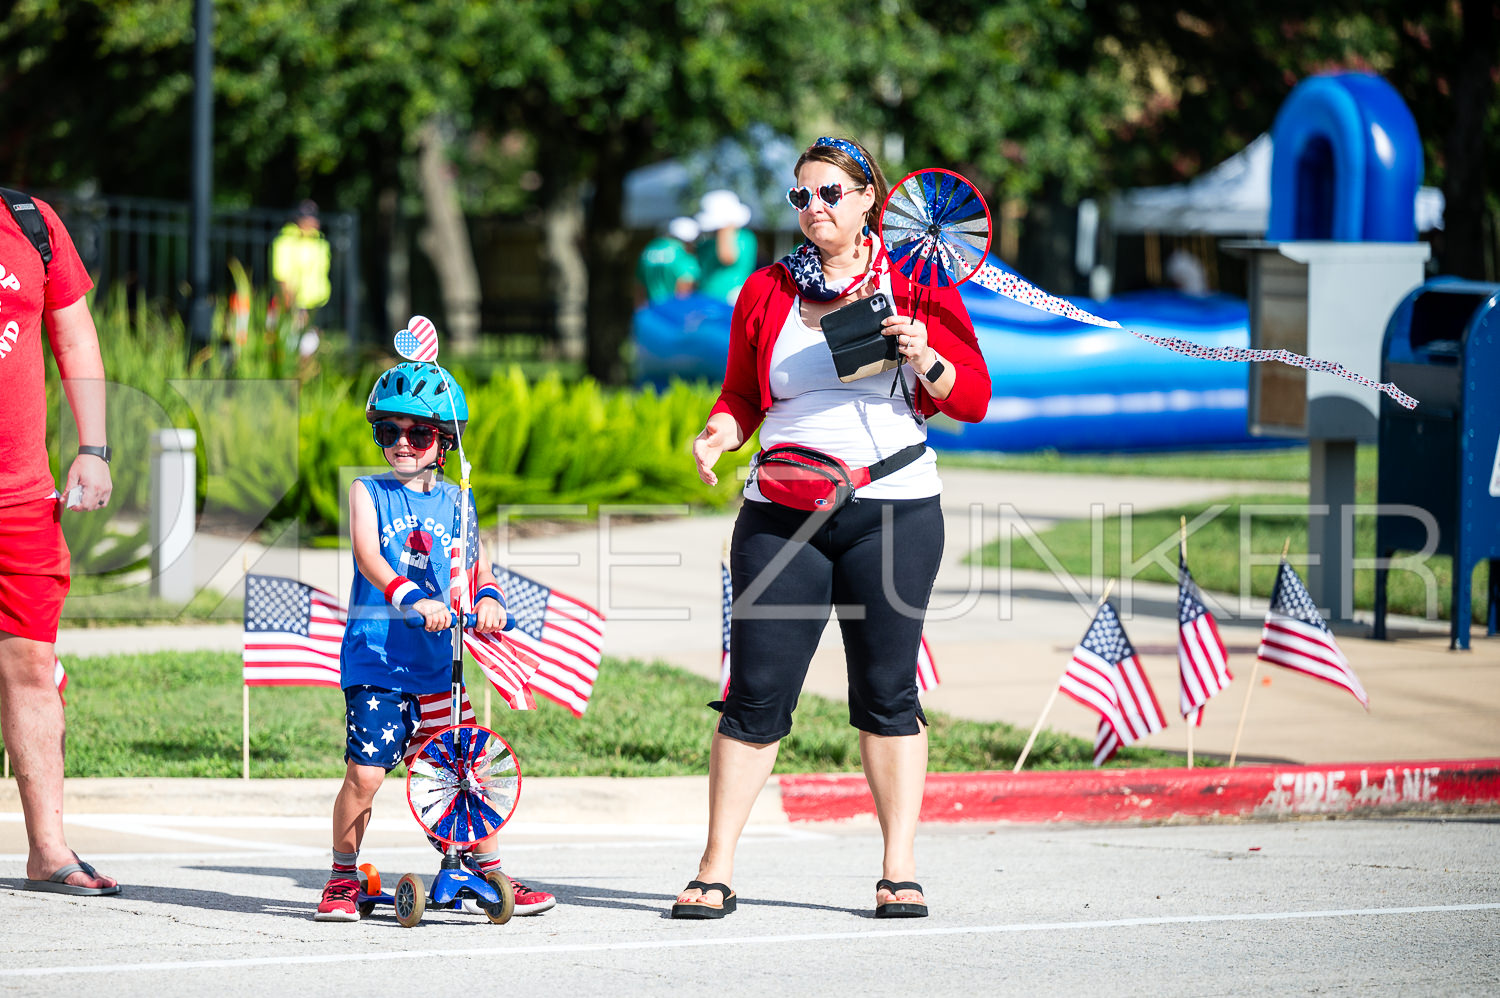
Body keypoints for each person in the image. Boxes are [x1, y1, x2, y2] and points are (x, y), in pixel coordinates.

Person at [676, 137, 991, 921]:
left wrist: (926, 355)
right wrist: (717, 434)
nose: (813, 207)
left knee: (887, 691)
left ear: (868, 198)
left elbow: (972, 399)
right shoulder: (766, 289)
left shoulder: (917, 280)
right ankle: (715, 868)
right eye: (801, 196)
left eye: (829, 193)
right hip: (782, 510)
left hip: (894, 509)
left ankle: (899, 867)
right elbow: (742, 396)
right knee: (755, 694)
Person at [314, 361, 556, 921]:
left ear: (443, 444)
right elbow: (369, 556)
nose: (401, 443)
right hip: (378, 662)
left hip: (439, 668)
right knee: (365, 775)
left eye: (418, 433)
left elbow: (478, 566)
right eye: (388, 431)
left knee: (466, 772)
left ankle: (488, 870)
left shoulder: (459, 501)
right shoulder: (367, 491)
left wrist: (490, 599)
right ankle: (343, 877)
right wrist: (411, 599)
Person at [0, 191, 118, 895]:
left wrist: (93, 449)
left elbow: (74, 336)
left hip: (20, 498)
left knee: (32, 665)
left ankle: (48, 849)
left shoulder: (30, 223)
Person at [270, 199, 332, 350]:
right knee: (298, 348)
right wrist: (294, 307)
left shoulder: (319, 240)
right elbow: (282, 277)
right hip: (296, 304)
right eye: (307, 218)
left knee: (313, 347)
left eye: (313, 217)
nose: (312, 221)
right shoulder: (286, 240)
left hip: (317, 304)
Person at [694, 189, 757, 304]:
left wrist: (725, 226)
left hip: (730, 302)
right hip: (705, 300)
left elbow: (727, 257)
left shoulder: (744, 237)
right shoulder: (707, 242)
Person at [636, 216, 702, 306]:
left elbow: (638, 287)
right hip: (673, 310)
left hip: (651, 310)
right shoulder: (683, 253)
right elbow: (685, 287)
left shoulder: (650, 248)